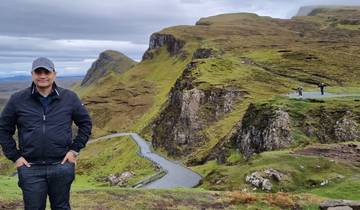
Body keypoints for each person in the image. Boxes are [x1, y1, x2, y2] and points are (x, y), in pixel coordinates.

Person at [0, 57, 92, 210]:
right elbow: (3, 129)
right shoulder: (17, 100)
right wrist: (15, 157)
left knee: (61, 207)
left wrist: (74, 150)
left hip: (61, 166)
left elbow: (85, 124)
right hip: (30, 168)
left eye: (46, 72)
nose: (42, 76)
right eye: (38, 72)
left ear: (54, 74)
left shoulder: (69, 98)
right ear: (32, 74)